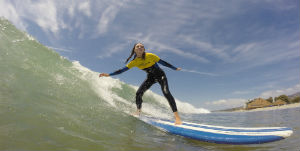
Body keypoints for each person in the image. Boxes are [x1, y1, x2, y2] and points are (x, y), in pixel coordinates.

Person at [99, 43, 182, 125]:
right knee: (138, 93)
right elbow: (121, 70)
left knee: (166, 92)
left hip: (160, 75)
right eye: (137, 46)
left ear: (144, 49)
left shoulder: (151, 55)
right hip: (151, 78)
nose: (140, 47)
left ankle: (177, 117)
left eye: (142, 46)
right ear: (134, 50)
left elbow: (163, 63)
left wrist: (175, 68)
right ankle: (138, 111)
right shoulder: (134, 62)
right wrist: (109, 74)